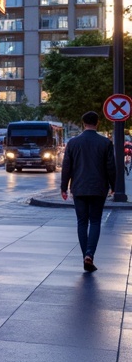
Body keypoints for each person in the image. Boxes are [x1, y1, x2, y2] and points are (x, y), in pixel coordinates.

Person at [61, 111, 117, 273]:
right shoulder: (105, 143)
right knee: (95, 221)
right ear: (97, 123)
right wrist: (114, 186)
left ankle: (86, 255)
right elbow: (110, 168)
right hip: (99, 188)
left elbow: (67, 167)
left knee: (82, 222)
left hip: (78, 187)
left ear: (83, 123)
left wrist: (64, 187)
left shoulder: (73, 143)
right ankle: (90, 254)